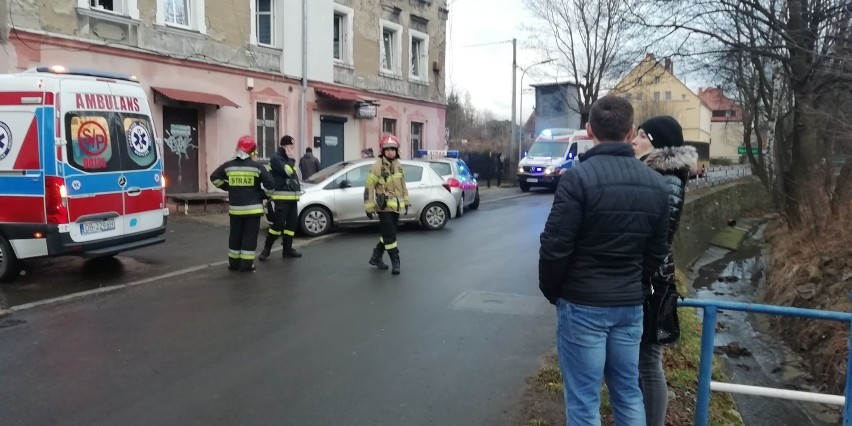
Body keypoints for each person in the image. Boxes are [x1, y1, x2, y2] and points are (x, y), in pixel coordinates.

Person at [538, 96, 670, 426]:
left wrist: (556, 292)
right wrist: (637, 286)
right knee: (627, 392)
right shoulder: (656, 185)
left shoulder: (577, 179)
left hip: (582, 305)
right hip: (628, 306)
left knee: (583, 399)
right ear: (630, 133)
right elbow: (656, 251)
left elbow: (554, 247)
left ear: (588, 130)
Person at [631, 115, 697, 426]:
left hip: (656, 284)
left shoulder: (666, 177)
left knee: (648, 361)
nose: (635, 140)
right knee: (645, 360)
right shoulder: (659, 174)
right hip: (657, 281)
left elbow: (660, 236)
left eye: (642, 135)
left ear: (656, 142)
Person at [210, 136, 274, 272]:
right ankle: (246, 265)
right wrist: (262, 195)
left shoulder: (228, 166)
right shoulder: (257, 167)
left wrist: (228, 187)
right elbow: (271, 185)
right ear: (252, 152)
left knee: (235, 237)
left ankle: (233, 264)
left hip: (235, 211)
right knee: (249, 238)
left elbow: (214, 178)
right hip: (253, 211)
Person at [364, 134, 410, 275]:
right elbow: (369, 187)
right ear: (382, 151)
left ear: (397, 150)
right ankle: (395, 261)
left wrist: (406, 201)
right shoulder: (377, 166)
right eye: (387, 149)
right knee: (390, 236)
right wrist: (369, 207)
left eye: (393, 149)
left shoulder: (398, 165)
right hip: (383, 208)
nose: (390, 151)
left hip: (396, 207)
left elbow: (403, 185)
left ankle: (376, 256)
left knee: (388, 233)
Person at [258, 135, 303, 261]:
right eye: (289, 147)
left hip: (292, 199)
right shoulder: (276, 158)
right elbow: (287, 172)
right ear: (283, 146)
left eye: (292, 147)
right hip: (282, 199)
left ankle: (287, 250)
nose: (292, 149)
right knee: (277, 225)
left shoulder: (285, 158)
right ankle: (266, 250)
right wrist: (291, 159)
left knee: (291, 225)